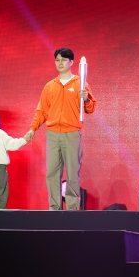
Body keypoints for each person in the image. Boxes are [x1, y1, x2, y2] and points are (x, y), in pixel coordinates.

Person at [24, 47, 96, 210]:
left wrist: (86, 100)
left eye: (64, 60)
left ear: (71, 62)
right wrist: (32, 128)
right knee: (52, 173)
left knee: (72, 173)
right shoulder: (50, 86)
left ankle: (72, 210)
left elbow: (91, 109)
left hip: (72, 134)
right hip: (53, 135)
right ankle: (54, 209)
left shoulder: (81, 84)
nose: (60, 63)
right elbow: (41, 111)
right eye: (57, 60)